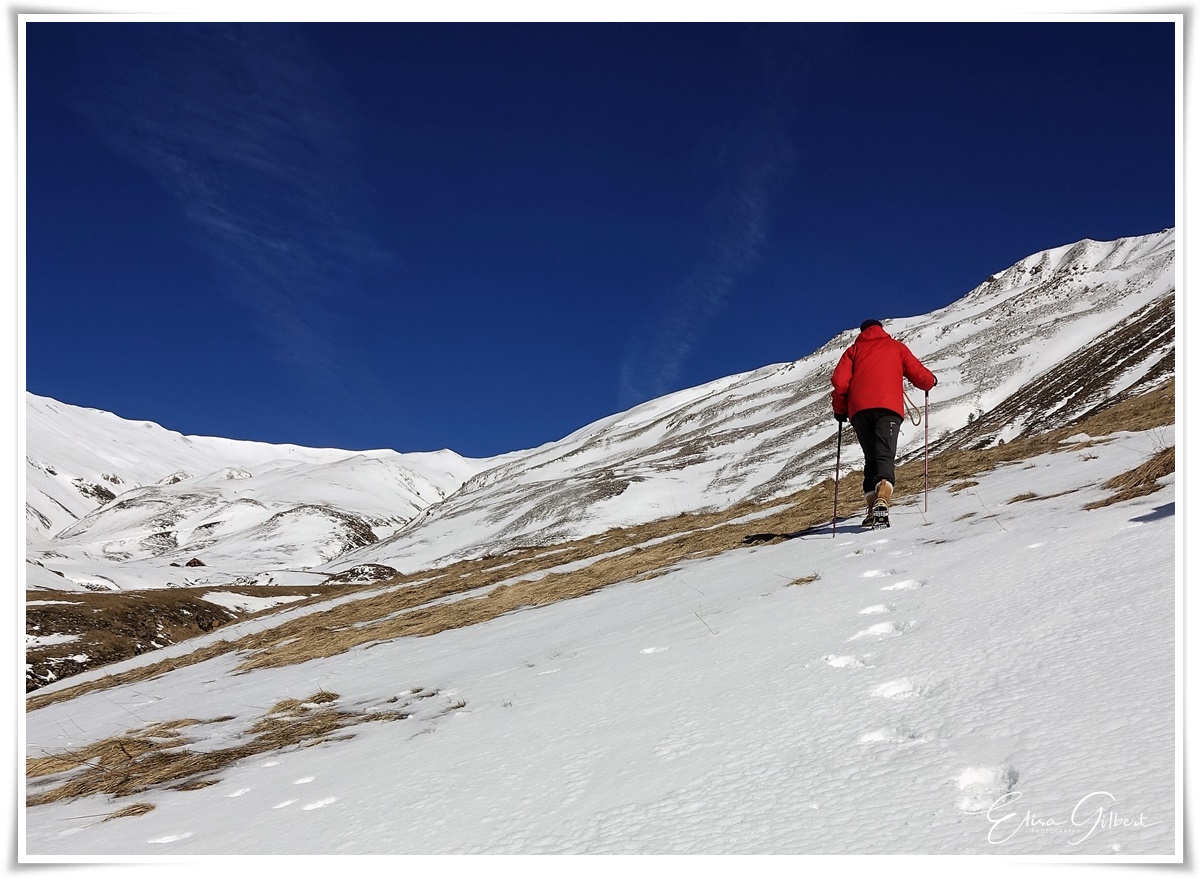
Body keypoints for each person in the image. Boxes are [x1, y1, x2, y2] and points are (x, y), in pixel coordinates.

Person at [831, 319, 937, 528]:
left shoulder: (853, 351)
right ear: (881, 329)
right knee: (884, 454)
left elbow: (840, 381)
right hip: (888, 408)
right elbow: (920, 375)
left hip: (859, 411)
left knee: (871, 457)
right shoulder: (895, 347)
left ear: (862, 332)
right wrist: (930, 381)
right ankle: (883, 498)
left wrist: (840, 410)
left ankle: (872, 507)